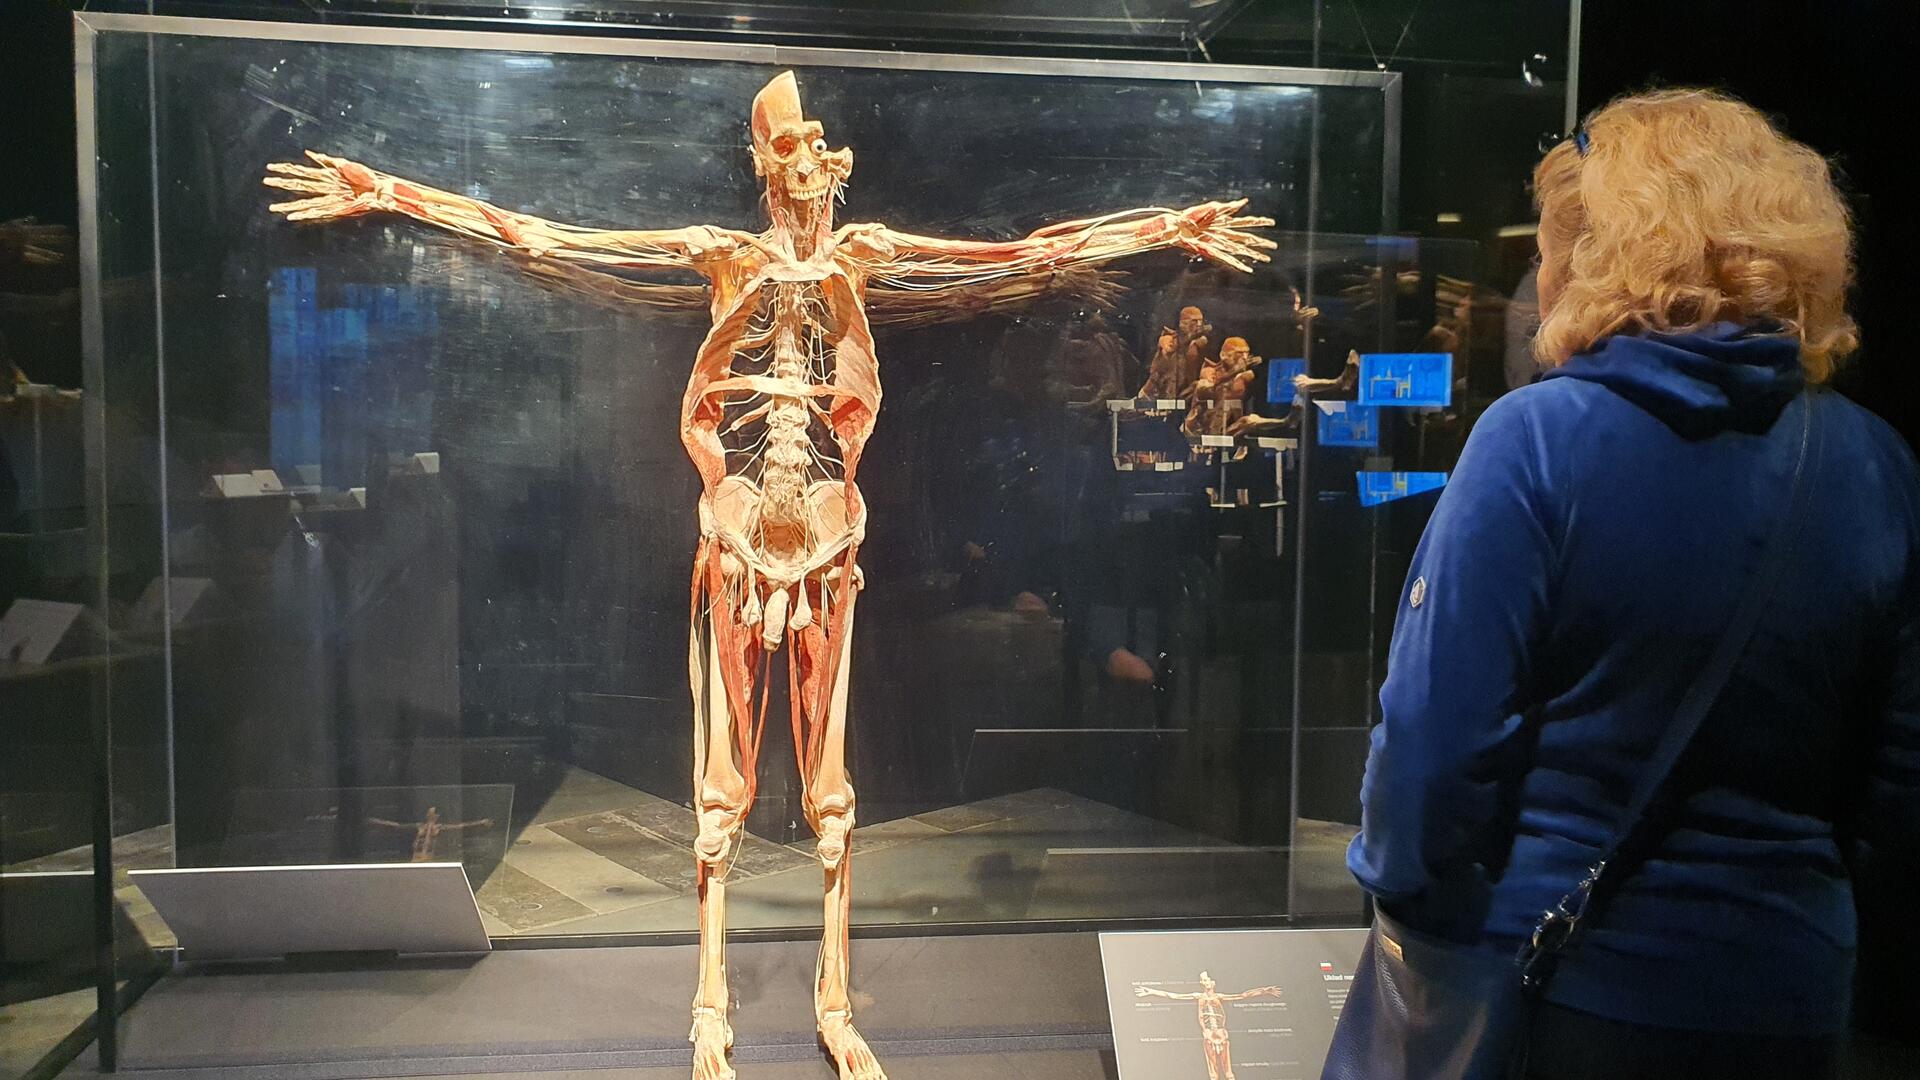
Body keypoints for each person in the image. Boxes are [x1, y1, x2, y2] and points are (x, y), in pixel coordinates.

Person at [1339, 89, 1917, 1078]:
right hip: (1790, 993)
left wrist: (1404, 900)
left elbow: (1435, 749)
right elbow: (1900, 783)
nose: (1537, 277)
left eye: (1548, 248)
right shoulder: (1874, 463)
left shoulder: (1535, 441)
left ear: (1601, 255)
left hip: (1560, 989)